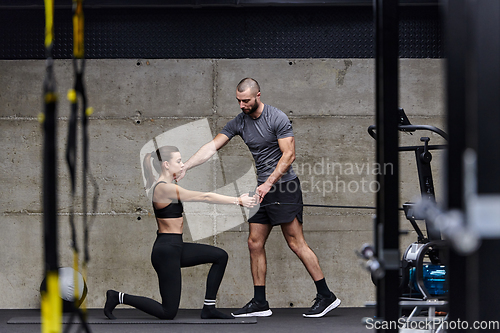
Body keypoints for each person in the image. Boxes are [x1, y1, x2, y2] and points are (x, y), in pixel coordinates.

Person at [177, 78, 341, 318]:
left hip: (283, 187)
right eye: (238, 101)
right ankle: (260, 301)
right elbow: (212, 147)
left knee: (296, 243)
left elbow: (289, 155)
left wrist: (268, 183)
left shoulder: (277, 118)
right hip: (262, 189)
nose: (242, 105)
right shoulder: (239, 122)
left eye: (246, 100)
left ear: (258, 96)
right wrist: (187, 167)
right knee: (254, 242)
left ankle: (326, 295)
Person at [104, 145, 256, 320]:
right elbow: (204, 197)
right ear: (166, 165)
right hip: (166, 251)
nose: (182, 164)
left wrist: (179, 173)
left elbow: (188, 184)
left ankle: (209, 308)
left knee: (220, 256)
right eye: (178, 161)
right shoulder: (163, 188)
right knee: (168, 312)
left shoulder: (169, 184)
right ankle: (118, 296)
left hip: (176, 247)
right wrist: (238, 200)